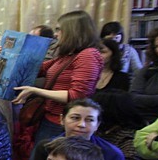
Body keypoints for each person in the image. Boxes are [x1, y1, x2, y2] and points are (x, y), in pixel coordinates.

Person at [13, 10, 103, 148]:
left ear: (72, 31)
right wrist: (7, 55)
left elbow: (77, 95)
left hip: (63, 124)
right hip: (52, 118)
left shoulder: (88, 55)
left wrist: (35, 91)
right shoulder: (68, 56)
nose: (56, 34)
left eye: (59, 29)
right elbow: (36, 69)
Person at [24, 98, 128, 160]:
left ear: (97, 125)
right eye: (75, 118)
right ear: (62, 119)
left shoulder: (112, 155)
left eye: (89, 120)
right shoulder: (46, 146)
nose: (81, 125)